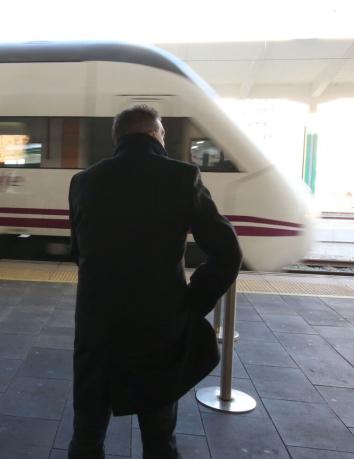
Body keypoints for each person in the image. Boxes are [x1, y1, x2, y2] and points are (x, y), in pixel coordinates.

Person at [67, 105, 242, 459]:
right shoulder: (182, 177)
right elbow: (227, 252)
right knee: (159, 432)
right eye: (162, 133)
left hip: (97, 323)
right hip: (158, 324)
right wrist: (191, 304)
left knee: (87, 431)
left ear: (119, 138)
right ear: (153, 134)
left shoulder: (83, 181)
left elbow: (78, 252)